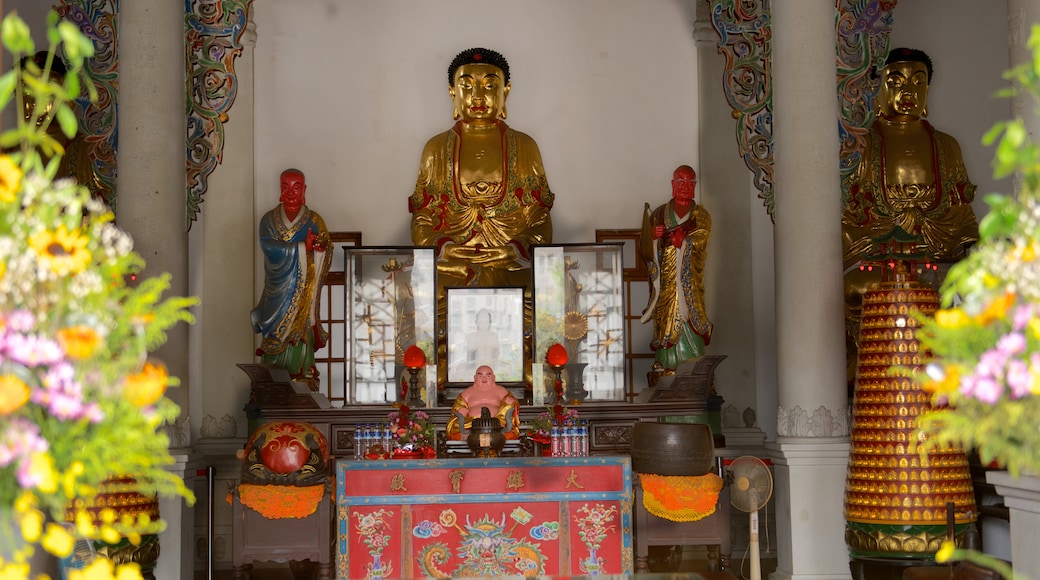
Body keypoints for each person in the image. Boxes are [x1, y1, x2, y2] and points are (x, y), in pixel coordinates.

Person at [842, 48, 979, 385]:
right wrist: (891, 223)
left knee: (967, 290)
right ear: (880, 89)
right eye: (896, 81)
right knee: (857, 287)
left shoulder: (947, 147)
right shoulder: (862, 146)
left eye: (919, 83)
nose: (908, 92)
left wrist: (937, 229)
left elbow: (962, 217)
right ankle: (867, 372)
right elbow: (850, 217)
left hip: (934, 257)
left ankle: (952, 386)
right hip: (877, 260)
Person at [408, 47, 554, 289]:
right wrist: (447, 250)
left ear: (505, 93)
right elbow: (422, 220)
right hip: (453, 267)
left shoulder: (525, 146)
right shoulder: (435, 149)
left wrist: (512, 250)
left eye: (489, 86)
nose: (477, 96)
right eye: (466, 86)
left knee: (551, 286)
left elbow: (540, 220)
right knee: (406, 286)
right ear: (452, 93)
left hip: (512, 265)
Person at [250, 168, 332, 389]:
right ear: (280, 190)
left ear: (304, 190)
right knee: (275, 331)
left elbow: (325, 245)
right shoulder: (269, 220)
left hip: (304, 289)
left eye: (296, 187)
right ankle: (272, 370)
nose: (290, 192)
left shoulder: (314, 219)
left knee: (303, 326)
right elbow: (267, 246)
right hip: (278, 289)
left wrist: (318, 247)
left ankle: (304, 370)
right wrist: (299, 248)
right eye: (285, 187)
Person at [639, 165, 713, 380]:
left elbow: (702, 238)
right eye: (680, 182)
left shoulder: (701, 215)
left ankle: (695, 369)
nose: (685, 187)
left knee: (691, 322)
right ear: (673, 185)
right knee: (666, 324)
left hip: (689, 286)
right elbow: (645, 250)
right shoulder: (659, 214)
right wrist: (652, 237)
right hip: (667, 288)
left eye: (690, 183)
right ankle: (665, 366)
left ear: (695, 186)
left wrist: (686, 242)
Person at [446, 365, 520, 440]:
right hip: (472, 425)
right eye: (480, 375)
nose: (484, 378)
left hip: (497, 425)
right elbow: (457, 407)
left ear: (494, 378)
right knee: (458, 432)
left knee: (509, 411)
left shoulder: (501, 391)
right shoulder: (467, 392)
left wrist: (511, 402)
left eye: (488, 375)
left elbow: (512, 405)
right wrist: (461, 410)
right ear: (475, 378)